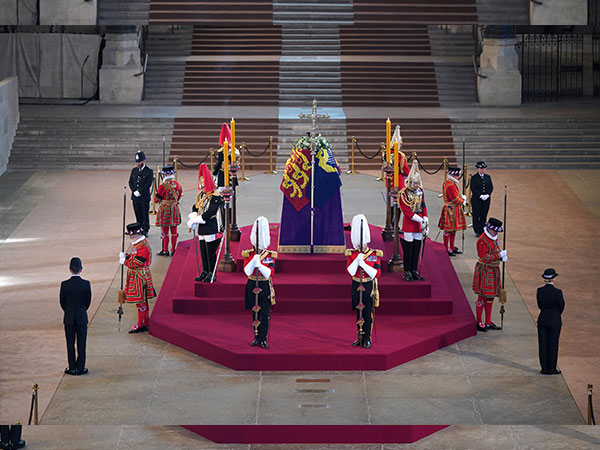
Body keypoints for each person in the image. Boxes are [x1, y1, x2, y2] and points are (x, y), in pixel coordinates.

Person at [346, 214, 382, 349]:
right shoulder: (352, 254)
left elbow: (376, 273)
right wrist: (357, 260)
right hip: (356, 285)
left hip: (368, 286)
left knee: (367, 313)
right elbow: (349, 272)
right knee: (358, 313)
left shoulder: (374, 254)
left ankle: (367, 338)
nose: (362, 245)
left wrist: (364, 265)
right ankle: (359, 337)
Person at [242, 216, 277, 349]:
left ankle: (263, 338)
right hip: (252, 285)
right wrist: (253, 261)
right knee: (254, 312)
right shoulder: (249, 254)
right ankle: (256, 337)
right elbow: (247, 271)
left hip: (264, 285)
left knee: (265, 314)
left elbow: (270, 273)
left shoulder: (270, 255)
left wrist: (260, 265)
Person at [187, 164, 223, 282]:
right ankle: (205, 271)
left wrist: (196, 219)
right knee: (203, 250)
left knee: (210, 251)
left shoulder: (215, 197)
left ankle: (212, 273)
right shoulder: (202, 195)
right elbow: (196, 206)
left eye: (203, 185)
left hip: (209, 226)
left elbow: (210, 212)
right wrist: (193, 216)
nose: (202, 188)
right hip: (201, 227)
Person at [119, 223, 156, 333]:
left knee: (141, 301)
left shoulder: (143, 247)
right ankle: (144, 322)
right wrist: (127, 256)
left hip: (140, 277)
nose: (130, 237)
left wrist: (125, 261)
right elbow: (134, 257)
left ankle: (142, 324)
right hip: (136, 276)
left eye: (132, 235)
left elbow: (137, 263)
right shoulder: (138, 244)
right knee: (141, 301)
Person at [472, 218, 507, 331]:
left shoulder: (493, 239)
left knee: (490, 297)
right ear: (489, 229)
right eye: (495, 231)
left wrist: (501, 256)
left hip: (493, 270)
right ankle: (479, 321)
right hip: (485, 271)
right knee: (482, 296)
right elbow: (484, 257)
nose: (496, 233)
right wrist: (499, 256)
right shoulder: (483, 240)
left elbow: (495, 250)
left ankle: (488, 321)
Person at [59, 257, 91, 376]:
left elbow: (62, 302)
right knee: (82, 343)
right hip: (82, 317)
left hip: (69, 317)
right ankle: (81, 367)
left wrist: (69, 311)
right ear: (81, 270)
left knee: (70, 343)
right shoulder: (86, 284)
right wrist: (82, 310)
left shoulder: (65, 284)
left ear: (70, 270)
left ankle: (72, 367)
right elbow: (87, 301)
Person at [398, 160, 428, 281]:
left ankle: (414, 269)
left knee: (417, 246)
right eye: (415, 183)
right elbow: (407, 211)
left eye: (417, 183)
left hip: (419, 223)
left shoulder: (420, 191)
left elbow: (423, 205)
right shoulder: (403, 194)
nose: (417, 185)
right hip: (410, 223)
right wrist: (420, 220)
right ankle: (407, 270)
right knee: (408, 248)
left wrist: (425, 219)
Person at [537, 268, 565, 375]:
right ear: (553, 279)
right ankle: (552, 368)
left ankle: (544, 368)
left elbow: (540, 305)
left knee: (543, 344)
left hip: (543, 318)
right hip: (554, 320)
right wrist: (556, 314)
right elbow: (561, 306)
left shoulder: (539, 291)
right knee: (553, 344)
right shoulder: (558, 292)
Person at [439, 166, 467, 256]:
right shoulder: (450, 185)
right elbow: (455, 200)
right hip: (451, 209)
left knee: (453, 230)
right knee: (448, 229)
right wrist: (463, 200)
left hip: (453, 209)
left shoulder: (450, 183)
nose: (458, 177)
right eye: (457, 175)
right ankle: (446, 248)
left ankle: (451, 246)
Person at [154, 165, 182, 256]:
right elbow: (179, 196)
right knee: (174, 230)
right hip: (174, 208)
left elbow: (156, 200)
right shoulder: (177, 184)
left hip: (165, 209)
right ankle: (173, 249)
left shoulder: (163, 186)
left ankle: (165, 250)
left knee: (164, 230)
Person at [128, 151, 154, 235]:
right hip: (135, 197)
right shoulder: (134, 171)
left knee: (144, 214)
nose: (138, 164)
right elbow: (130, 182)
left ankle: (145, 229)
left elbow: (148, 184)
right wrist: (134, 191)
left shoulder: (149, 171)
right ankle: (138, 228)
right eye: (137, 162)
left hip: (144, 197)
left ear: (144, 161)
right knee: (137, 213)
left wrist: (140, 191)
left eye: (139, 162)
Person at [470, 161, 493, 237]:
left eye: (483, 168)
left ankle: (483, 229)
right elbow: (473, 188)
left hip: (486, 199)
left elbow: (491, 187)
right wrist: (479, 195)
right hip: (477, 200)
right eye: (481, 168)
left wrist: (488, 194)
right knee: (476, 215)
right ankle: (477, 230)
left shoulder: (488, 177)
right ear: (477, 169)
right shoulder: (474, 178)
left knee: (484, 214)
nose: (482, 170)